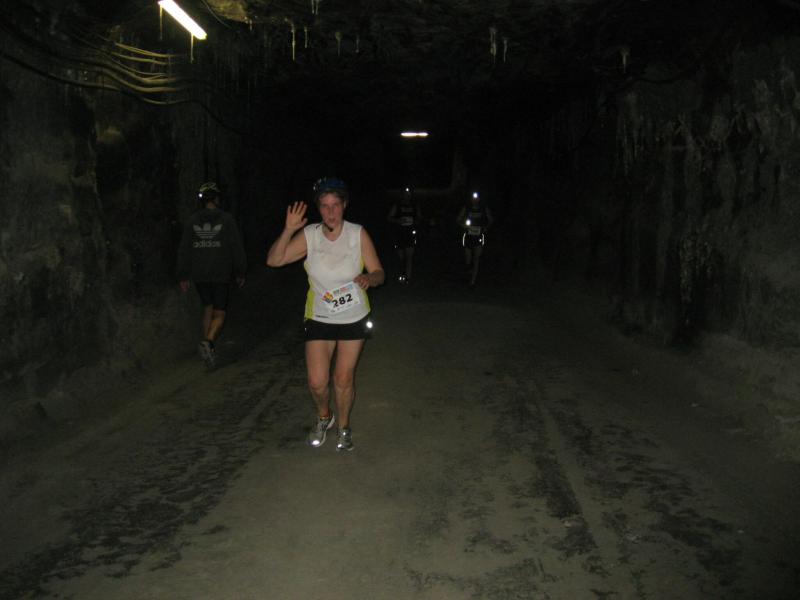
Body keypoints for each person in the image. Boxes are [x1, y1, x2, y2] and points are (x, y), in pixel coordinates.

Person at [266, 177, 385, 451]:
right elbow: (274, 260)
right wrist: (288, 230)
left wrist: (370, 278)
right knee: (317, 382)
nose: (330, 212)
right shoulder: (310, 235)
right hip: (319, 316)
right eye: (324, 206)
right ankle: (324, 417)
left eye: (335, 205)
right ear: (318, 208)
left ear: (345, 205)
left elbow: (380, 273)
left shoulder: (357, 234)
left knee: (343, 378)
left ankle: (344, 427)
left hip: (353, 316)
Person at [176, 182, 246, 370]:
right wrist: (240, 271)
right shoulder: (227, 220)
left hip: (200, 273)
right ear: (216, 199)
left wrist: (183, 275)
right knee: (220, 313)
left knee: (208, 307)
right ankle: (208, 343)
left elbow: (184, 249)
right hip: (220, 272)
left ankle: (207, 350)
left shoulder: (192, 221)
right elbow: (236, 247)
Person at [457, 190, 494, 288]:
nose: (475, 200)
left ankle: (472, 282)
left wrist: (486, 227)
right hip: (468, 236)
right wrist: (464, 225)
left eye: (476, 198)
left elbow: (490, 220)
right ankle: (469, 269)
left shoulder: (483, 208)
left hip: (478, 236)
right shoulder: (467, 208)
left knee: (476, 258)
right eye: (473, 198)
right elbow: (458, 219)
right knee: (468, 258)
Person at [387, 187, 422, 283]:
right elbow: (389, 217)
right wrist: (398, 220)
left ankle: (408, 277)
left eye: (409, 194)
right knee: (401, 257)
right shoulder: (397, 205)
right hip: (400, 233)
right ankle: (402, 274)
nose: (407, 196)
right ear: (402, 195)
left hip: (410, 233)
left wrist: (416, 221)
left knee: (409, 256)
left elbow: (419, 218)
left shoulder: (415, 205)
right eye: (405, 194)